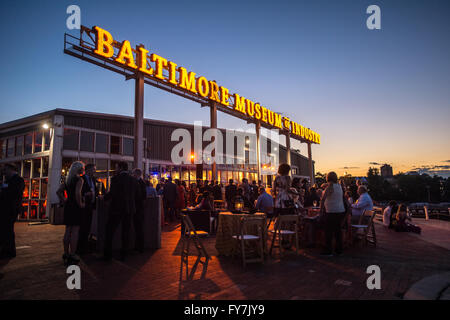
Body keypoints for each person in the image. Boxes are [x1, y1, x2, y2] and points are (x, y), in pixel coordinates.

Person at [103, 162, 139, 261]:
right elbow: (137, 194)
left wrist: (104, 198)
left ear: (121, 168)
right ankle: (124, 254)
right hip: (129, 209)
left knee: (110, 231)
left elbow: (112, 193)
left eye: (116, 167)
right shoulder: (133, 180)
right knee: (126, 231)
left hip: (116, 208)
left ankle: (108, 254)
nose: (115, 169)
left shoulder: (116, 179)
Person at [57, 161, 85, 265]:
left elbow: (58, 192)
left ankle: (66, 252)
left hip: (68, 206)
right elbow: (78, 194)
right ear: (79, 169)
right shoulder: (79, 180)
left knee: (68, 230)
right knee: (75, 231)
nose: (83, 169)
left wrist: (64, 200)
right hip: (75, 207)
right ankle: (73, 253)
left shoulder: (67, 180)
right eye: (83, 167)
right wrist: (81, 204)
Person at [0, 163, 25, 260]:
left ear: (11, 169)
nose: (4, 172)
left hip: (11, 208)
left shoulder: (18, 180)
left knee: (8, 229)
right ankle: (6, 249)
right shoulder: (8, 180)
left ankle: (9, 250)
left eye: (5, 170)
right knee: (6, 229)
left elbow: (15, 193)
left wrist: (4, 190)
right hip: (6, 208)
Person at [319, 171, 347, 256]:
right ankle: (339, 250)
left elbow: (323, 199)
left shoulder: (330, 187)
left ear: (328, 178)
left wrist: (321, 211)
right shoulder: (339, 186)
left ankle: (328, 250)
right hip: (340, 210)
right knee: (337, 231)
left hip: (331, 211)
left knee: (329, 231)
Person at [77, 163, 98, 255]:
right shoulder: (81, 179)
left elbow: (96, 191)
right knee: (82, 228)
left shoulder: (93, 179)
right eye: (94, 169)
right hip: (83, 207)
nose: (95, 171)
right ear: (88, 170)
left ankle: (85, 247)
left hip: (91, 207)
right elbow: (78, 193)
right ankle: (79, 248)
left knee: (88, 228)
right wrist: (86, 194)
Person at [132, 168, 147, 253]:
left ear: (136, 174)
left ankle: (139, 247)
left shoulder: (140, 183)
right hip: (139, 208)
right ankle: (139, 247)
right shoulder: (141, 182)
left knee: (138, 228)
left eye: (133, 174)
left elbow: (142, 197)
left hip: (138, 209)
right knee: (138, 228)